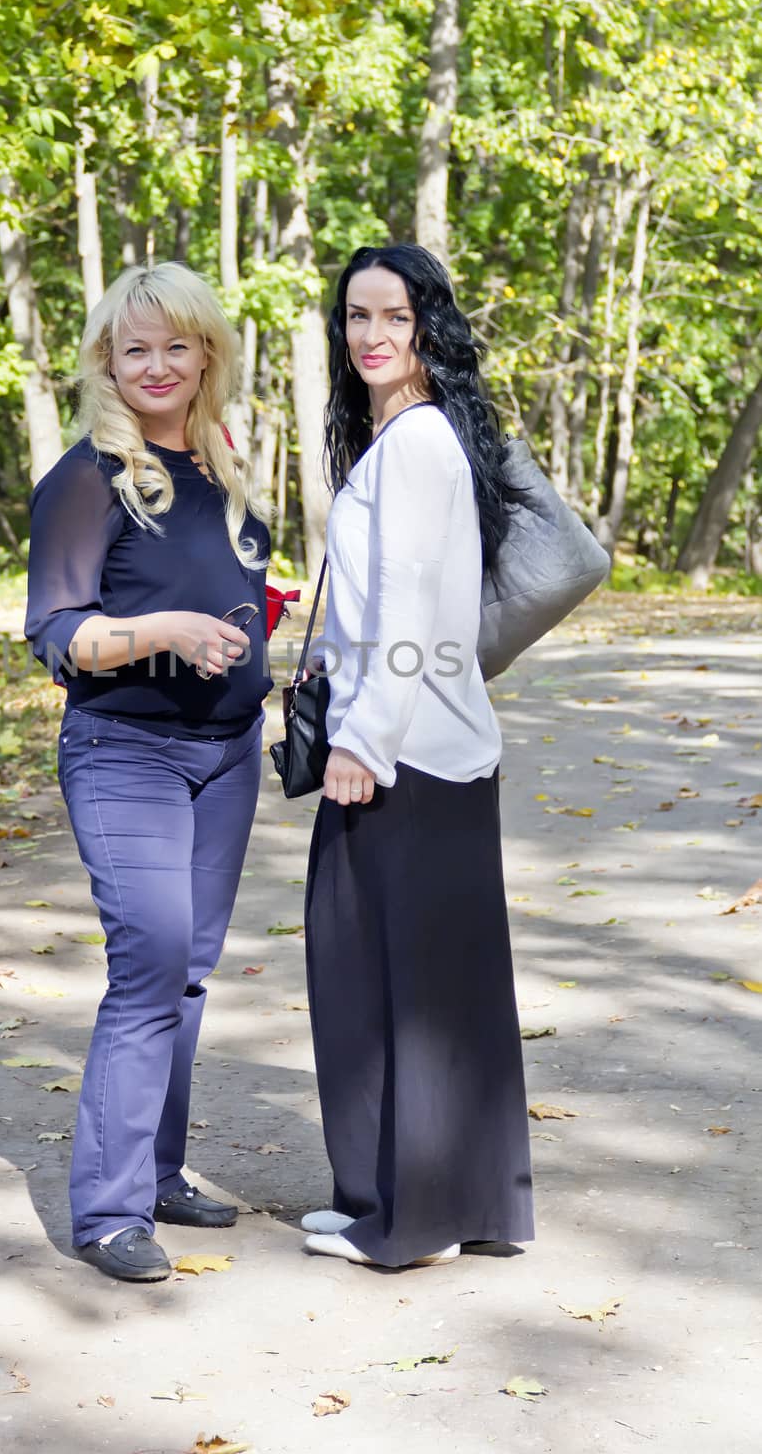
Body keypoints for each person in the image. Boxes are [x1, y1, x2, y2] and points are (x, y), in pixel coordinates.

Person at [25, 262, 272, 1283]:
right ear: (107, 364)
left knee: (191, 969)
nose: (157, 364)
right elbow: (54, 632)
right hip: (124, 751)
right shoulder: (87, 477)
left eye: (176, 344)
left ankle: (159, 1171)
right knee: (150, 963)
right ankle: (108, 1209)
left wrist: (261, 639)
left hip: (228, 755)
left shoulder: (219, 468)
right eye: (135, 349)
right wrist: (155, 631)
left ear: (205, 351)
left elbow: (225, 601)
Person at [300, 244, 535, 1268]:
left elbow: (401, 607)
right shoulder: (416, 437)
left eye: (389, 315)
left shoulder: (414, 442)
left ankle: (407, 1223)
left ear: (426, 324)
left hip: (401, 752)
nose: (368, 335)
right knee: (441, 988)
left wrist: (360, 737)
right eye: (353, 316)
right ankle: (449, 1203)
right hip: (438, 747)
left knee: (376, 983)